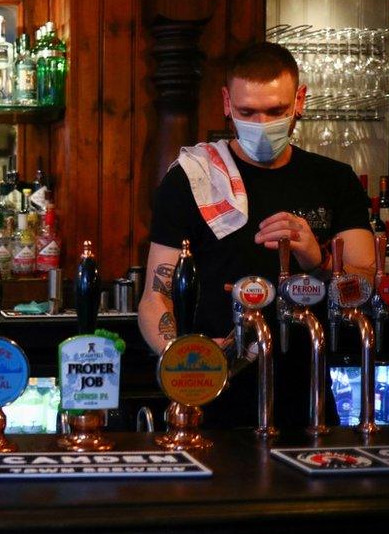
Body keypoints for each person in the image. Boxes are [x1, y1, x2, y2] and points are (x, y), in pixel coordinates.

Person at [138, 42, 375, 429]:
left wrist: (318, 259)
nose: (262, 124)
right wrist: (180, 355)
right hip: (213, 387)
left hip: (306, 389)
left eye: (276, 111)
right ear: (227, 103)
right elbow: (155, 292)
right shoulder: (194, 179)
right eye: (248, 112)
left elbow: (363, 287)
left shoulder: (333, 180)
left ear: (300, 101)